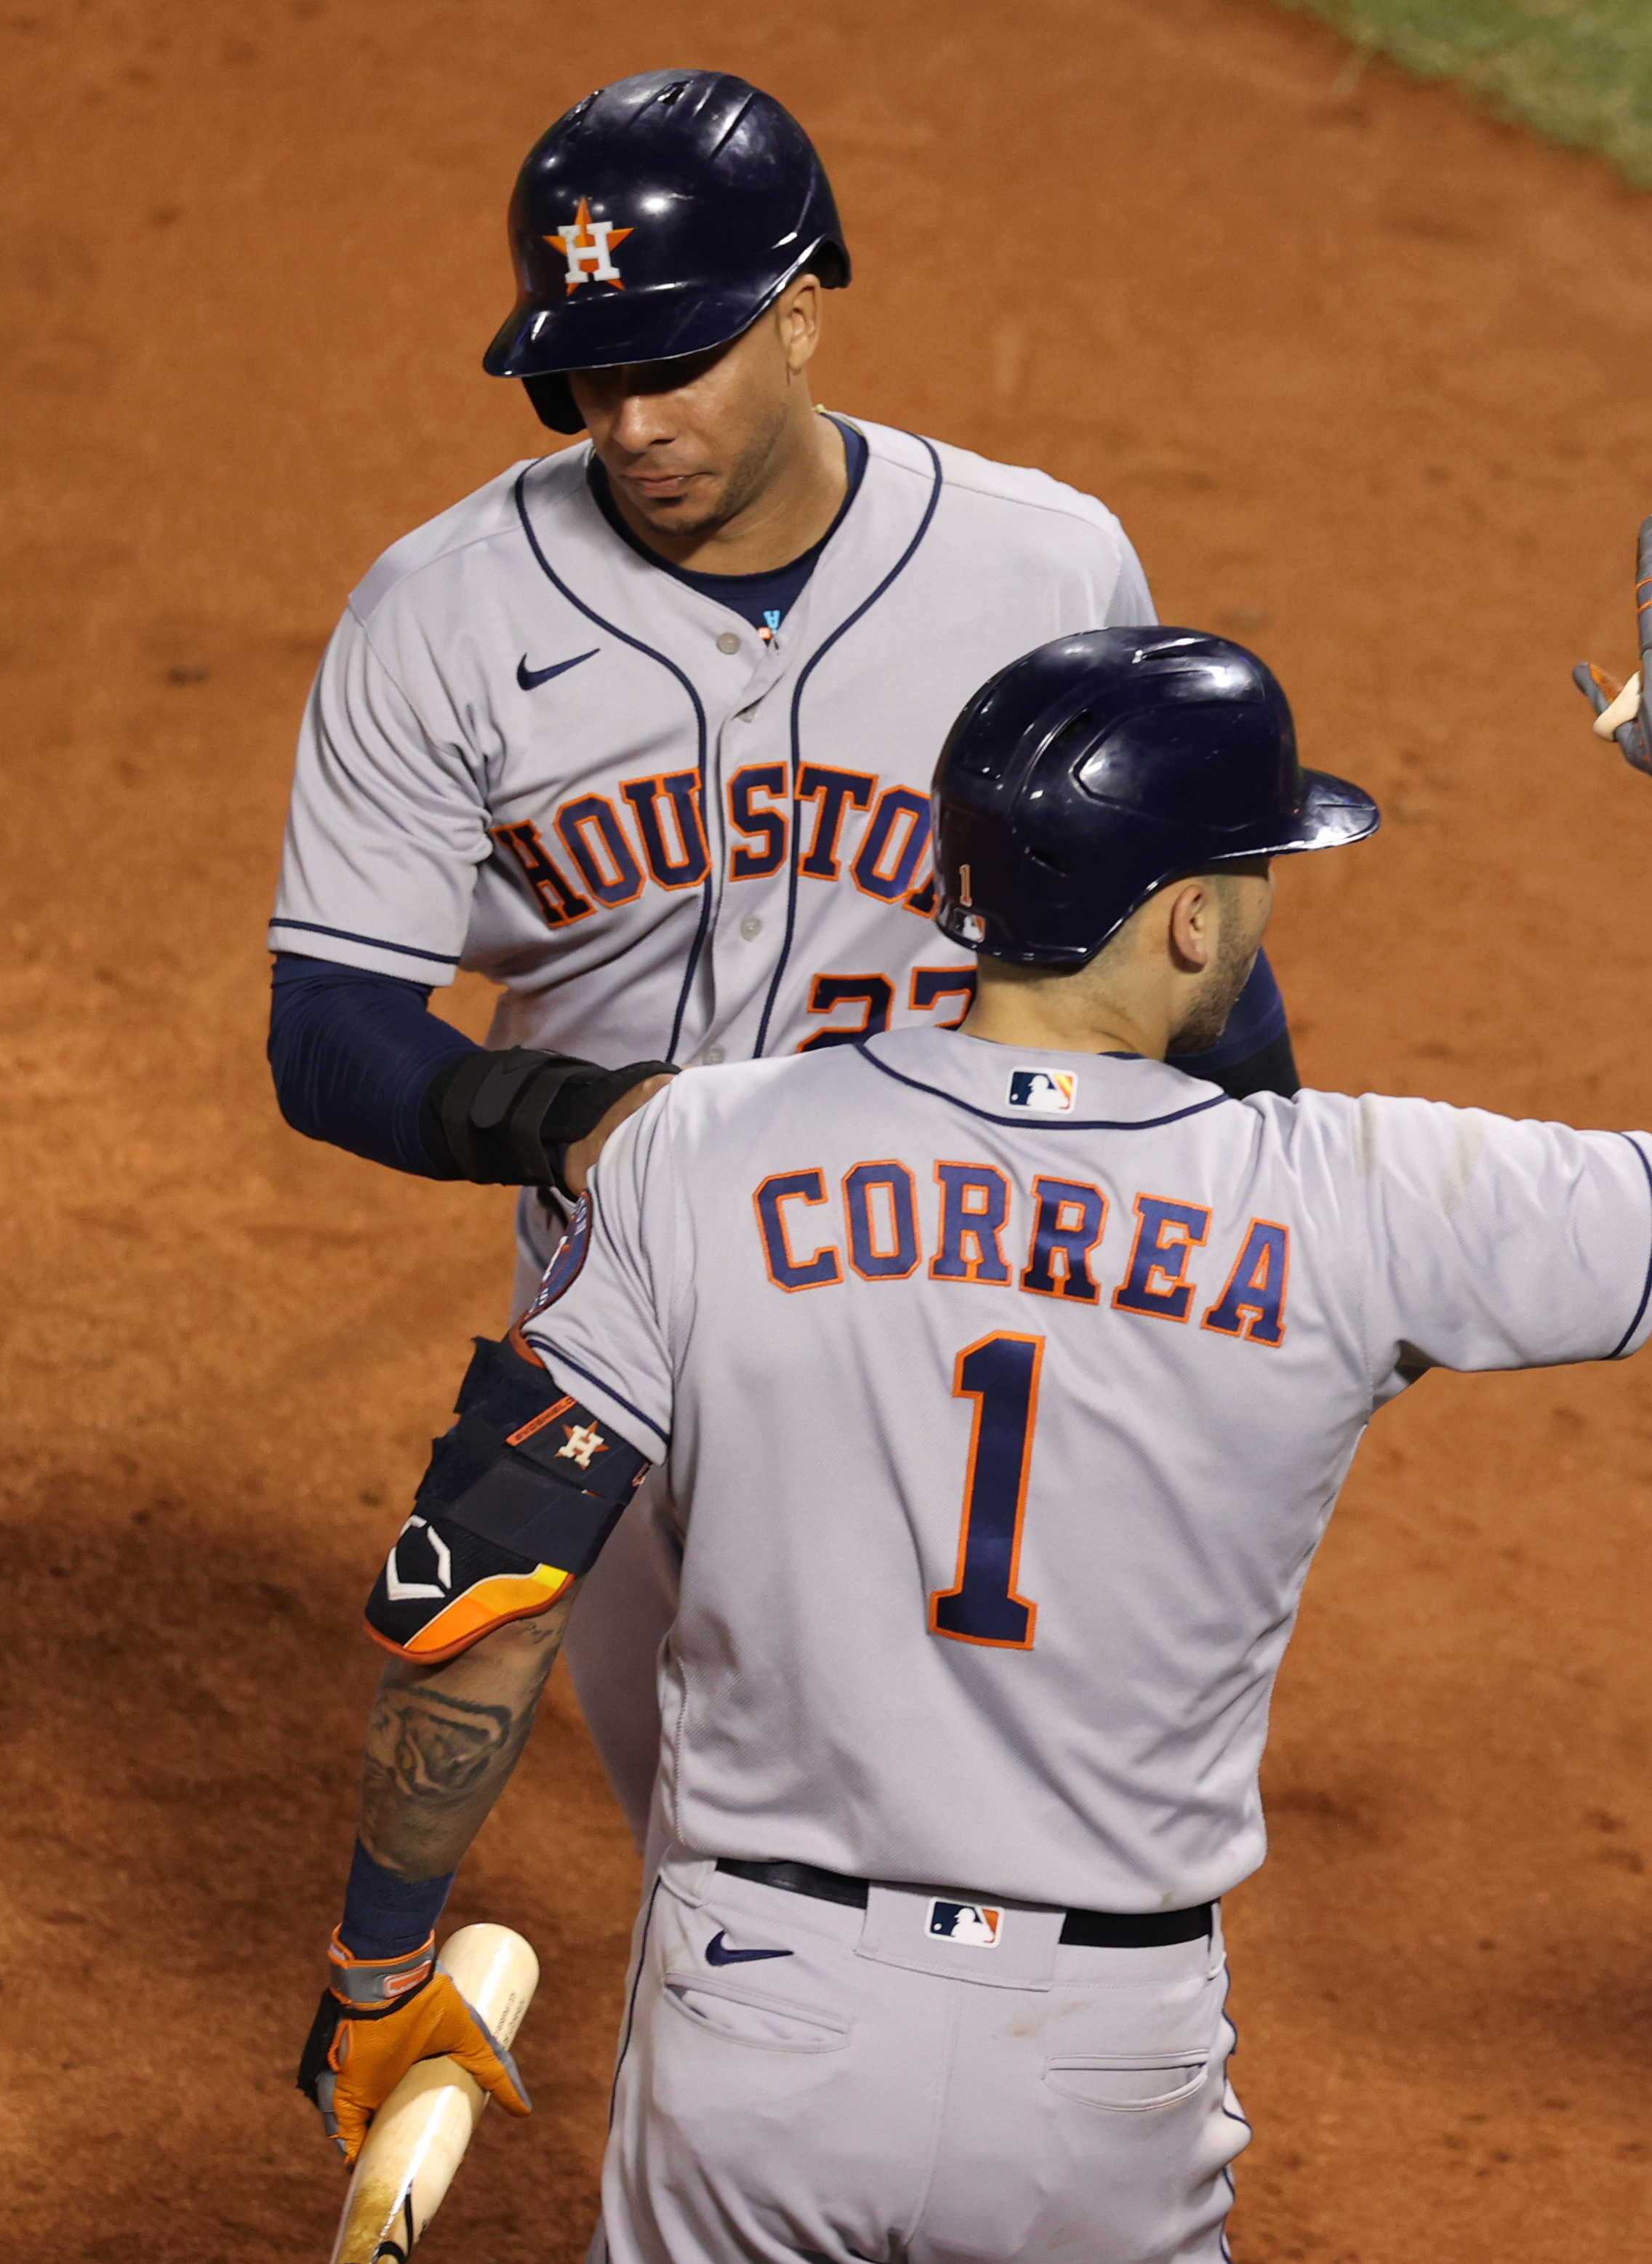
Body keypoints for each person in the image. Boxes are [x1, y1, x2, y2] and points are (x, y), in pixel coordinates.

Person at [293, 478, 1652, 2262]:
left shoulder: (696, 1153)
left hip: (759, 2023)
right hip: (1097, 2071)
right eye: (1258, 873)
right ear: (1190, 921)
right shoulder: (1358, 1210)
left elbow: (480, 1596)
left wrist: (381, 1965)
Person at [263, 68, 1302, 1840]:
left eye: (674, 364)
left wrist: (1279, 1183)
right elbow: (330, 1024)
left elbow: (1177, 933)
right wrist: (568, 1119)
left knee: (1004, 1842)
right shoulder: (442, 615)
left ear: (804, 309)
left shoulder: (1040, 567)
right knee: (729, 1859)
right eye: (589, 376)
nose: (629, 421)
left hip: (981, 1283)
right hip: (640, 1332)